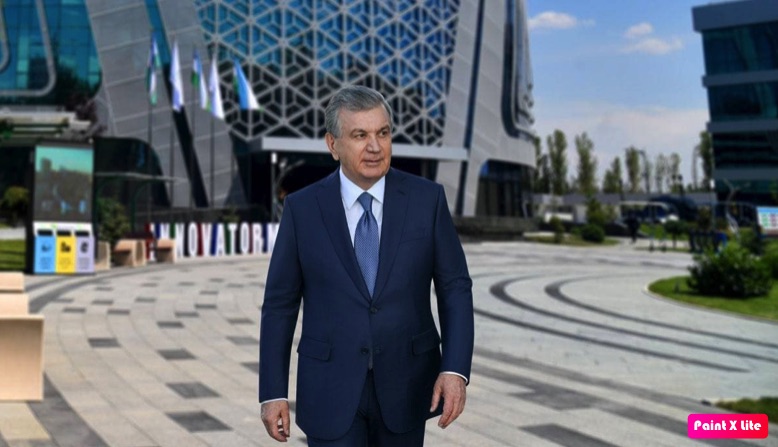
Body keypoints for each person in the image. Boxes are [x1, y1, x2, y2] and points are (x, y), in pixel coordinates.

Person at [259, 85, 474, 447]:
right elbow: (280, 304)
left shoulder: (427, 200)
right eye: (360, 135)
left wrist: (454, 369)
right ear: (333, 144)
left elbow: (455, 288)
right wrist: (272, 391)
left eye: (383, 133)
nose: (375, 147)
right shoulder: (302, 209)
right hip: (329, 388)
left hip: (408, 385)